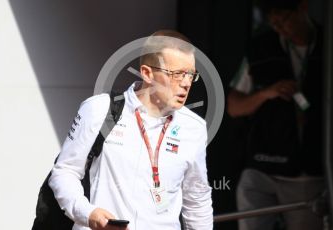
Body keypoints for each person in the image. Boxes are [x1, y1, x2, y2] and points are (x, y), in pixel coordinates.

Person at [49, 30, 213, 230]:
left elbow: (197, 198)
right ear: (147, 73)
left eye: (190, 74)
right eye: (177, 74)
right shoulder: (100, 109)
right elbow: (64, 171)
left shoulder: (193, 127)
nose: (187, 83)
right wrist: (88, 213)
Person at [227, 0, 324, 229]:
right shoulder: (261, 48)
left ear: (302, 7)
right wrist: (267, 93)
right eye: (273, 22)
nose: (279, 28)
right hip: (261, 164)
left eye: (284, 19)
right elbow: (234, 106)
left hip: (308, 171)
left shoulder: (326, 43)